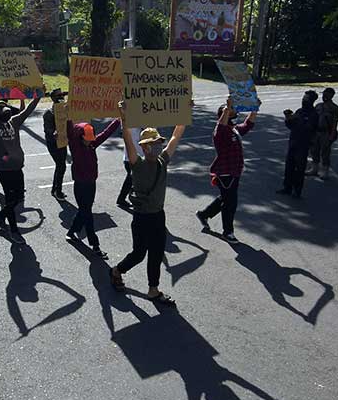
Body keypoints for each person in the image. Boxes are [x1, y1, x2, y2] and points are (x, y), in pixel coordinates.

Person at [110, 101, 187, 306]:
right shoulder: (137, 163)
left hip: (158, 216)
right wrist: (124, 117)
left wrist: (184, 111)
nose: (157, 146)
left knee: (156, 252)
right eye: (152, 144)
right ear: (143, 147)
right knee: (139, 253)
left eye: (158, 143)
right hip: (142, 217)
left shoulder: (163, 161)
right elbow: (127, 138)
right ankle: (117, 270)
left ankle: (153, 289)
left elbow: (176, 136)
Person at [0, 82, 40, 244]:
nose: (6, 113)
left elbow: (28, 111)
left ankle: (0, 216)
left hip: (17, 168)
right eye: (1, 111)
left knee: (18, 198)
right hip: (4, 169)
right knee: (10, 200)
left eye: (6, 109)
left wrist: (38, 96)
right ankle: (14, 231)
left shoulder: (14, 122)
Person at [196, 97, 257, 244]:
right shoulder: (220, 132)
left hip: (234, 171)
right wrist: (226, 109)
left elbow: (248, 125)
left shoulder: (233, 130)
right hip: (226, 173)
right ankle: (227, 232)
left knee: (226, 197)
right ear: (225, 114)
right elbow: (220, 126)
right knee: (231, 203)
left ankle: (204, 214)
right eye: (230, 110)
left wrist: (255, 109)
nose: (235, 111)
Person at [64, 116, 121, 258]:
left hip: (91, 184)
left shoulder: (92, 144)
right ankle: (95, 245)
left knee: (84, 211)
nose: (90, 140)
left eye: (91, 138)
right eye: (87, 138)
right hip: (80, 185)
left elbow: (106, 133)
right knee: (87, 214)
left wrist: (119, 119)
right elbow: (67, 126)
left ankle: (71, 232)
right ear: (79, 136)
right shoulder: (74, 145)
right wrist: (67, 115)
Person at [277, 90, 318, 198]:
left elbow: (309, 128)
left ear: (311, 100)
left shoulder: (313, 114)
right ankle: (287, 187)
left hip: (303, 144)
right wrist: (288, 118)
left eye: (306, 98)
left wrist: (298, 120)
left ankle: (297, 190)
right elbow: (291, 126)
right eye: (303, 98)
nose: (303, 100)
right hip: (293, 142)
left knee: (299, 168)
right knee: (289, 166)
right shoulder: (299, 111)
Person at [0, 98, 26, 195]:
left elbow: (22, 112)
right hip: (2, 152)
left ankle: (16, 187)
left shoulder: (9, 114)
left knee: (5, 163)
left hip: (9, 152)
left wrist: (22, 99)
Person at [307, 87, 338, 180]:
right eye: (323, 94)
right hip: (316, 131)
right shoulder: (318, 105)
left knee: (325, 152)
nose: (324, 96)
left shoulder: (334, 108)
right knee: (314, 150)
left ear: (331, 95)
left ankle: (325, 171)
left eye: (326, 94)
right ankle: (314, 168)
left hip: (326, 132)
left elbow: (335, 122)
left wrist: (332, 134)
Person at [42, 88, 68, 201]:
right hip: (53, 143)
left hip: (62, 141)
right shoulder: (49, 113)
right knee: (61, 166)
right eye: (59, 96)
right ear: (54, 98)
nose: (62, 97)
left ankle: (55, 189)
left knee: (60, 166)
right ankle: (58, 191)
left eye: (62, 95)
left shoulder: (65, 110)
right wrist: (54, 133)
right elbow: (48, 130)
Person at [116, 127, 144, 208]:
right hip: (131, 158)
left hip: (137, 157)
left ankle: (123, 198)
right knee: (132, 179)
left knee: (131, 179)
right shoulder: (132, 126)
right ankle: (128, 197)